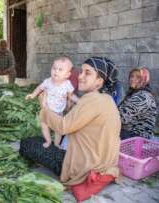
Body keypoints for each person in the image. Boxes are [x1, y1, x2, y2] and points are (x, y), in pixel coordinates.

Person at [20, 57, 121, 202]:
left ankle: (85, 177)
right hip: (103, 162)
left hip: (85, 166)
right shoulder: (107, 100)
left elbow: (63, 126)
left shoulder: (90, 100)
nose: (80, 76)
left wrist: (44, 108)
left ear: (99, 81)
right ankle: (98, 174)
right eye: (81, 71)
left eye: (88, 73)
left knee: (28, 143)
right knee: (53, 140)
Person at [25, 57, 78, 148]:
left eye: (60, 70)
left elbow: (71, 95)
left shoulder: (67, 84)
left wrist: (79, 101)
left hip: (59, 112)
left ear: (67, 74)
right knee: (44, 125)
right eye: (54, 68)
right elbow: (39, 88)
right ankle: (48, 141)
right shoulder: (48, 82)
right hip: (47, 110)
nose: (56, 71)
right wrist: (33, 95)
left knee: (58, 129)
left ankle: (57, 143)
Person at [118, 67, 157, 140]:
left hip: (136, 138)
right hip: (129, 135)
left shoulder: (142, 96)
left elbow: (121, 117)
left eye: (138, 77)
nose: (132, 79)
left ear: (144, 79)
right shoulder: (135, 94)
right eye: (131, 76)